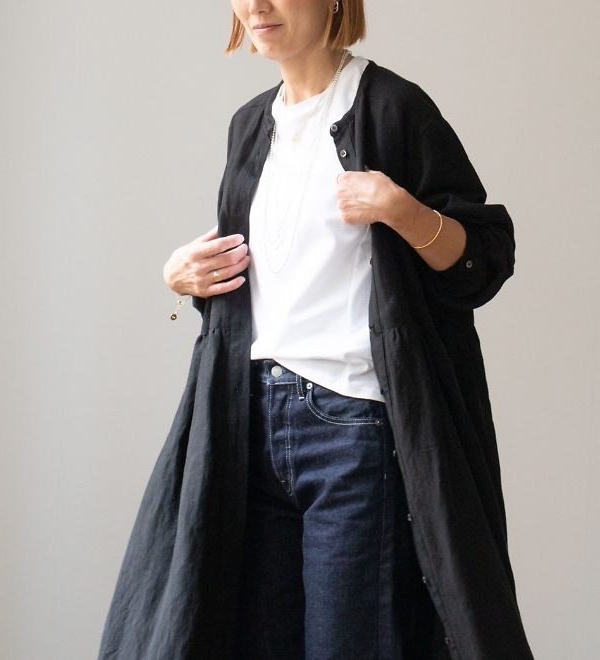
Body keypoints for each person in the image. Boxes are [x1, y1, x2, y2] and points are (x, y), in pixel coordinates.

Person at [98, 1, 535, 659]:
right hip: (249, 425)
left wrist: (403, 212)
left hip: (353, 430)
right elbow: (271, 283)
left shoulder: (392, 108)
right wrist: (183, 279)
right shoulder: (249, 125)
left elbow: (485, 260)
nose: (255, 6)